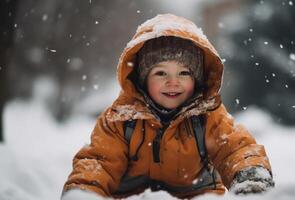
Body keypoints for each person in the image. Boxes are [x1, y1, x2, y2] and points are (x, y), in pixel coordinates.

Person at [62, 14, 274, 199]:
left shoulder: (208, 117)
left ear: (197, 79)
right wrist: (85, 192)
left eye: (184, 73)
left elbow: (236, 148)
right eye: (161, 73)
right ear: (143, 79)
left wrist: (250, 174)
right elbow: (99, 162)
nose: (173, 82)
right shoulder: (120, 119)